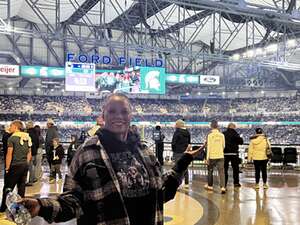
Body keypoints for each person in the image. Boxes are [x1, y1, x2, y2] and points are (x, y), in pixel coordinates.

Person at [20, 93, 201, 225]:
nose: (118, 116)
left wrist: (184, 160)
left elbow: (161, 192)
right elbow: (73, 201)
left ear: (131, 115)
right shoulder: (87, 152)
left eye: (124, 111)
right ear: (103, 116)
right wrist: (41, 206)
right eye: (112, 111)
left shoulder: (145, 151)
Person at [0, 120, 32, 212]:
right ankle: (21, 208)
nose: (9, 128)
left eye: (11, 126)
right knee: (21, 189)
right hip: (24, 166)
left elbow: (9, 154)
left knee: (7, 188)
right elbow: (29, 153)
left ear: (16, 127)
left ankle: (3, 208)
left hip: (14, 165)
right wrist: (26, 163)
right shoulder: (27, 137)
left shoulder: (12, 139)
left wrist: (7, 168)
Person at [205, 120, 226, 194]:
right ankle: (223, 187)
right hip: (220, 155)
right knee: (221, 172)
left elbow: (208, 147)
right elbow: (224, 146)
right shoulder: (222, 135)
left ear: (211, 126)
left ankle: (210, 186)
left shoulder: (209, 135)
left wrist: (207, 158)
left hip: (212, 156)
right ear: (218, 126)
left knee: (210, 171)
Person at [223, 123, 244, 188]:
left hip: (225, 154)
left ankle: (224, 183)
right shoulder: (235, 134)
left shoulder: (223, 134)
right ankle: (236, 183)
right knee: (235, 169)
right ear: (233, 127)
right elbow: (241, 142)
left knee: (224, 170)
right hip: (234, 154)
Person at [171, 119, 191, 185]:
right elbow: (189, 143)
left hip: (177, 152)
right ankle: (187, 183)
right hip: (185, 152)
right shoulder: (187, 132)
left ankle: (177, 183)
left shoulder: (177, 132)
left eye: (175, 124)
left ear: (178, 125)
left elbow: (173, 143)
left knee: (177, 168)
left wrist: (173, 150)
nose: (175, 126)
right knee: (185, 167)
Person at [26, 121, 39, 186]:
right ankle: (33, 178)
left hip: (30, 152)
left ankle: (31, 181)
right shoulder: (36, 132)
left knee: (30, 166)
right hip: (35, 151)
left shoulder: (27, 133)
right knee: (33, 166)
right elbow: (37, 142)